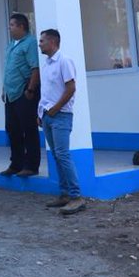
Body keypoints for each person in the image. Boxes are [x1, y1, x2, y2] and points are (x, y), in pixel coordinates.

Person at [37, 29, 86, 215]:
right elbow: (47, 92)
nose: (40, 43)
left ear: (52, 42)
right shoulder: (47, 64)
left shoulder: (64, 61)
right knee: (57, 155)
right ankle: (65, 194)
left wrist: (56, 109)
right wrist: (40, 113)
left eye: (42, 41)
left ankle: (76, 197)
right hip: (48, 115)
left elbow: (71, 88)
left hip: (61, 115)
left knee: (63, 154)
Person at [0, 12, 40, 177]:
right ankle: (16, 163)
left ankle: (31, 165)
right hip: (11, 94)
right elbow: (9, 69)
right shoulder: (11, 45)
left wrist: (30, 90)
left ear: (21, 26)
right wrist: (4, 89)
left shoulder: (30, 43)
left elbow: (35, 68)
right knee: (12, 128)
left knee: (28, 128)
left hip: (25, 92)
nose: (9, 28)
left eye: (12, 25)